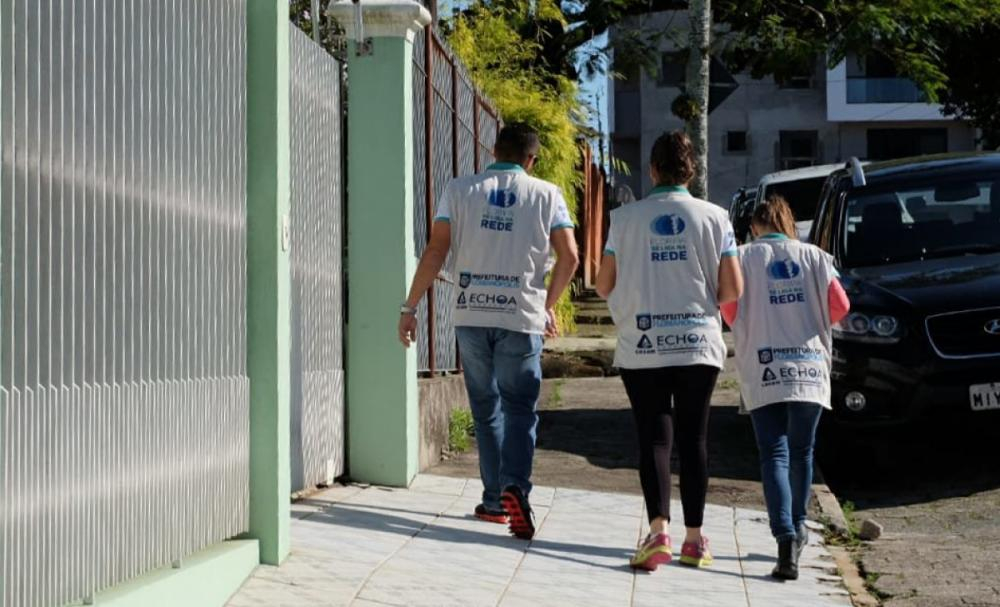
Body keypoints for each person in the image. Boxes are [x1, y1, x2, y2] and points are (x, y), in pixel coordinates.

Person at [398, 123, 579, 540]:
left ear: (493, 150)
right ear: (532, 159)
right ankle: (516, 485)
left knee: (486, 406)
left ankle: (495, 500)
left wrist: (410, 307)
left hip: (472, 314)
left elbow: (435, 250)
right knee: (520, 408)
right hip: (521, 317)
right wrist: (546, 305)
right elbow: (569, 256)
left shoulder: (459, 189)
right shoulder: (547, 194)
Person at [596, 131, 744, 571]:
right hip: (699, 343)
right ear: (692, 171)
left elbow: (603, 283)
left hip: (643, 346)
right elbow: (732, 288)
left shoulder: (624, 219)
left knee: (655, 439)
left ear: (653, 170)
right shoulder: (717, 218)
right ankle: (695, 540)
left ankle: (658, 531)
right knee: (695, 439)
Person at [721, 195, 850, 580]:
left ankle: (784, 539)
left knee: (772, 453)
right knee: (802, 451)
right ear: (788, 222)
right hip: (809, 367)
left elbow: (728, 307)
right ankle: (800, 527)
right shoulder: (814, 257)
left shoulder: (742, 258)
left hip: (764, 368)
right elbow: (841, 306)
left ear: (756, 226)